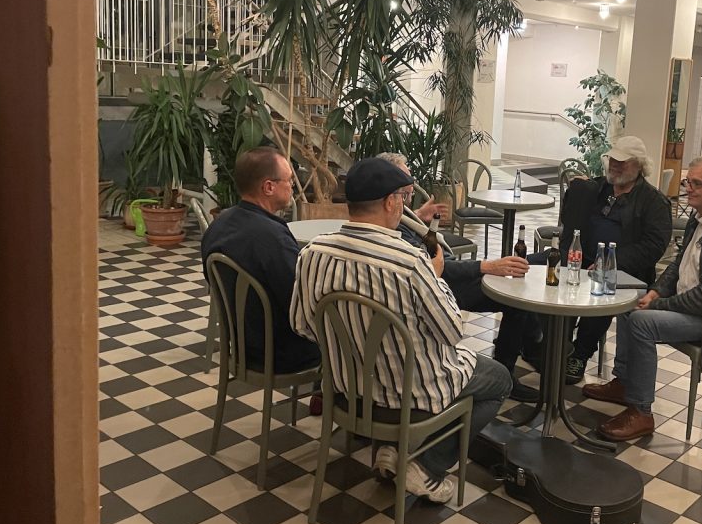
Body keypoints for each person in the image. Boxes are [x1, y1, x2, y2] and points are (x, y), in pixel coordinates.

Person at [290, 158, 512, 503]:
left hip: (346, 391)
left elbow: (302, 325)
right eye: (402, 197)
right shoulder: (410, 262)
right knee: (499, 380)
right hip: (408, 396)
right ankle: (427, 466)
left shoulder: (312, 253)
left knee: (387, 360)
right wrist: (436, 276)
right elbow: (452, 330)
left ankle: (390, 449)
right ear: (390, 202)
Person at [582, 155, 702, 441]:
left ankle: (641, 412)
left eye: (697, 183)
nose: (688, 189)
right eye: (687, 182)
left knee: (642, 321)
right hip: (699, 306)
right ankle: (625, 382)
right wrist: (656, 291)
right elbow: (679, 264)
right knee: (629, 298)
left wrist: (657, 304)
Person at [376, 153, 540, 402]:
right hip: (444, 285)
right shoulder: (394, 225)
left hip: (446, 273)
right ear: (391, 193)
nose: (411, 183)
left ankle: (534, 346)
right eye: (405, 180)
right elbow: (436, 269)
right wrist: (487, 266)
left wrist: (418, 215)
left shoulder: (401, 213)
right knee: (515, 300)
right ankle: (512, 368)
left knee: (518, 289)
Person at [546, 136, 672, 383]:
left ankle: (580, 354)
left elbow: (653, 247)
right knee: (543, 272)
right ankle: (554, 344)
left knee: (603, 286)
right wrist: (578, 191)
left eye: (622, 162)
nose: (614, 165)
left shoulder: (654, 202)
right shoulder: (597, 188)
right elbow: (570, 219)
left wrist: (610, 261)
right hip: (581, 259)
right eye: (612, 160)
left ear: (639, 166)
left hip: (622, 270)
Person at [201, 146, 321, 375]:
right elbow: (299, 301)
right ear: (269, 187)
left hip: (241, 346)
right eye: (289, 180)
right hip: (281, 353)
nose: (292, 187)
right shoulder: (273, 237)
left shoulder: (218, 225)